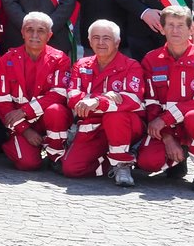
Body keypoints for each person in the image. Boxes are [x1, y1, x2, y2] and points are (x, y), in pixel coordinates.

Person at [137, 5, 194, 193]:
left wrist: (165, 119)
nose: (175, 30)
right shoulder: (151, 60)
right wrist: (166, 136)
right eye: (170, 25)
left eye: (181, 25)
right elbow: (150, 103)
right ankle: (177, 159)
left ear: (191, 29)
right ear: (162, 28)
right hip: (167, 128)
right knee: (147, 162)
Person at [60, 20, 147, 186]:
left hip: (127, 126)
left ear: (117, 42)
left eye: (106, 38)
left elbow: (133, 100)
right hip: (92, 126)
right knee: (71, 169)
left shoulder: (131, 66)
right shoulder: (81, 65)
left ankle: (122, 164)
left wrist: (96, 102)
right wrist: (106, 98)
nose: (100, 43)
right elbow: (72, 98)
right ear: (89, 41)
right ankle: (108, 162)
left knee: (115, 116)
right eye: (96, 38)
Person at [0, 11, 72, 172]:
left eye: (41, 30)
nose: (35, 35)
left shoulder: (60, 59)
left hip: (47, 119)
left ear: (49, 35)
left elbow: (59, 95)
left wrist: (24, 111)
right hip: (22, 125)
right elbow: (2, 103)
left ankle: (55, 155)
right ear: (22, 33)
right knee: (28, 164)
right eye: (29, 30)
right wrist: (25, 131)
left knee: (56, 111)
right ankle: (15, 143)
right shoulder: (6, 60)